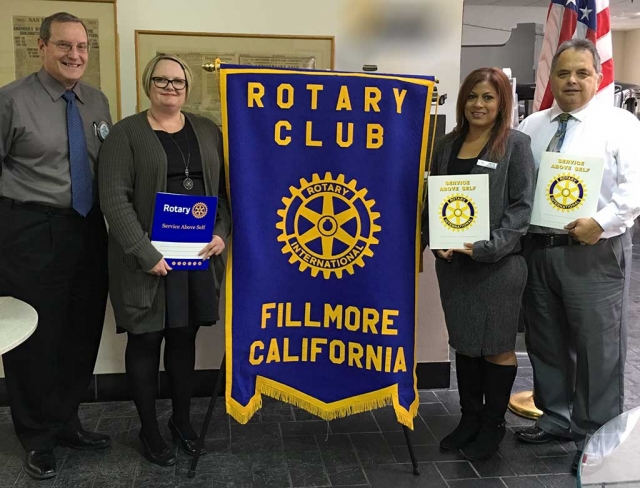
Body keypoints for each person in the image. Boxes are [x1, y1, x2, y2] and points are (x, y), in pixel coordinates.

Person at [513, 38, 640, 474]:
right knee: (545, 341)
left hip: (593, 250)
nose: (571, 80)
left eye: (581, 73)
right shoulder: (532, 125)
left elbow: (633, 188)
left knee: (598, 347)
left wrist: (601, 224)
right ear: (551, 77)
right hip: (538, 250)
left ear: (598, 77)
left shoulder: (620, 124)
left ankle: (596, 435)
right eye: (563, 72)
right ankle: (555, 418)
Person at [98, 54, 231, 467]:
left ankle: (181, 422)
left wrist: (220, 234)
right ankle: (149, 429)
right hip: (147, 263)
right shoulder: (125, 134)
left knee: (182, 341)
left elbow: (224, 195)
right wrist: (145, 252)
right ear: (147, 83)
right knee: (145, 341)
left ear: (188, 87)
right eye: (162, 79)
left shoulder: (208, 131)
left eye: (178, 81)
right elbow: (114, 200)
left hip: (193, 260)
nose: (170, 87)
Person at [0, 12, 112, 480]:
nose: (75, 55)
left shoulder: (97, 101)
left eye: (83, 47)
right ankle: (36, 436)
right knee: (34, 338)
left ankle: (67, 421)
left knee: (81, 329)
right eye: (64, 45)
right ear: (41, 47)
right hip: (29, 229)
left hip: (87, 229)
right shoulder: (11, 101)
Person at [421, 67, 536, 461]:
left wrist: (489, 247)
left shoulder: (515, 146)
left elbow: (522, 207)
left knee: (496, 346)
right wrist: (437, 243)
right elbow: (433, 201)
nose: (478, 104)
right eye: (472, 96)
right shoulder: (446, 144)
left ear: (502, 102)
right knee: (466, 345)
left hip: (498, 267)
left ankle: (492, 425)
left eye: (488, 97)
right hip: (454, 269)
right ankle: (468, 419)